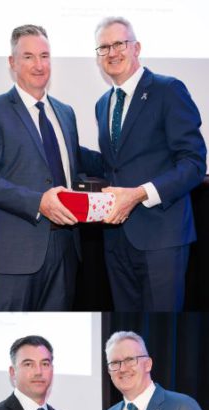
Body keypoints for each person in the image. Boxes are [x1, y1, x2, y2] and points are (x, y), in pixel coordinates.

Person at [0, 24, 103, 311]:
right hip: (17, 255)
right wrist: (38, 202)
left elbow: (73, 161)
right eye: (28, 56)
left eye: (44, 56)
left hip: (67, 249)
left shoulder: (65, 113)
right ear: (12, 62)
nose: (39, 65)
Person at [91, 18, 207, 311]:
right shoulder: (103, 103)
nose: (112, 53)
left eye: (119, 44)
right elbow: (112, 164)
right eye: (104, 47)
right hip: (116, 239)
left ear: (136, 48)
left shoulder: (168, 90)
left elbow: (193, 162)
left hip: (161, 239)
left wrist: (140, 193)